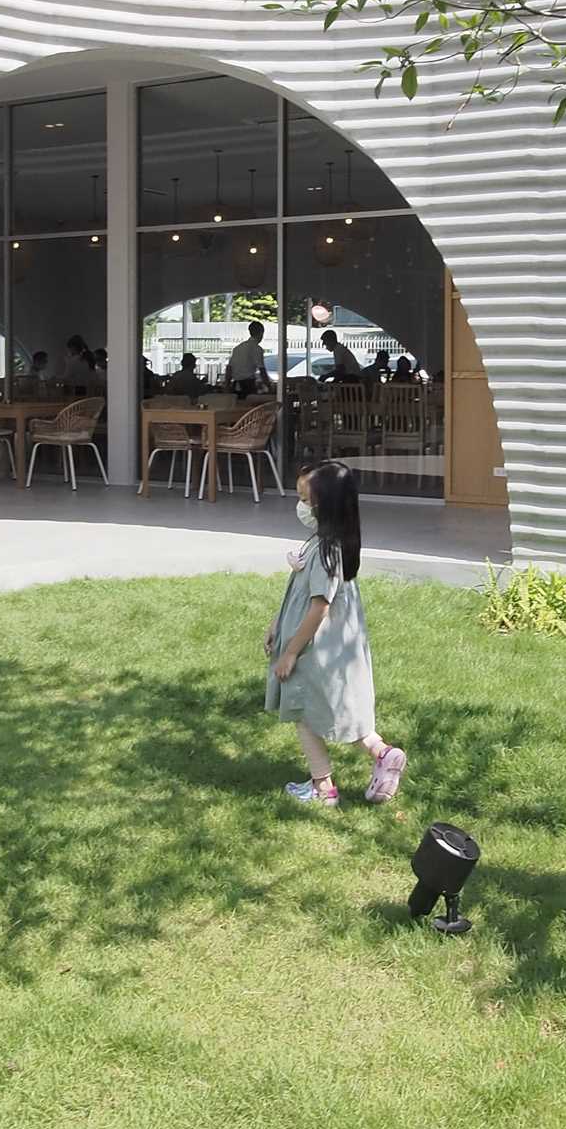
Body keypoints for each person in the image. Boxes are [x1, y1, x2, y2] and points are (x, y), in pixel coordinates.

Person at [263, 460, 406, 808]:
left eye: (305, 499)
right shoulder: (328, 541)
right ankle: (382, 753)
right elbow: (298, 590)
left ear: (324, 504)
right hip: (333, 647)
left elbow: (318, 606)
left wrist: (291, 652)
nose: (300, 506)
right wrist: (275, 624)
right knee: (337, 710)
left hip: (315, 649)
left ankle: (322, 786)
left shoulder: (327, 550)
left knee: (305, 712)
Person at [225, 319, 268, 393]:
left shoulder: (238, 348)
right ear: (261, 333)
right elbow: (261, 369)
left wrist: (227, 386)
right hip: (249, 385)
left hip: (236, 385)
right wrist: (268, 385)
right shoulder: (257, 349)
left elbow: (229, 368)